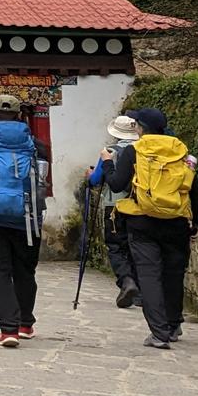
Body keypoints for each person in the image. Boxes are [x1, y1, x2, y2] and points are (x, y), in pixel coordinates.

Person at [108, 106, 198, 348]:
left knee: (149, 275)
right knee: (174, 274)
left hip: (142, 222)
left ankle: (159, 334)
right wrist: (197, 223)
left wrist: (108, 164)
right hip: (176, 221)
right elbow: (195, 191)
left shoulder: (134, 150)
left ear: (141, 128)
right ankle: (173, 325)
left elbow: (117, 185)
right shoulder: (180, 151)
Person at [0, 93, 50, 347]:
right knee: (25, 270)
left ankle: (8, 329)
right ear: (20, 115)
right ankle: (25, 324)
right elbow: (42, 181)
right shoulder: (36, 145)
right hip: (29, 219)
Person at [86, 113, 144, 309]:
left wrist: (90, 175)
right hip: (139, 206)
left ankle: (127, 281)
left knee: (116, 247)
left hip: (115, 207)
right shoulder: (143, 150)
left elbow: (96, 180)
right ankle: (141, 293)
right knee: (137, 247)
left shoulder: (110, 151)